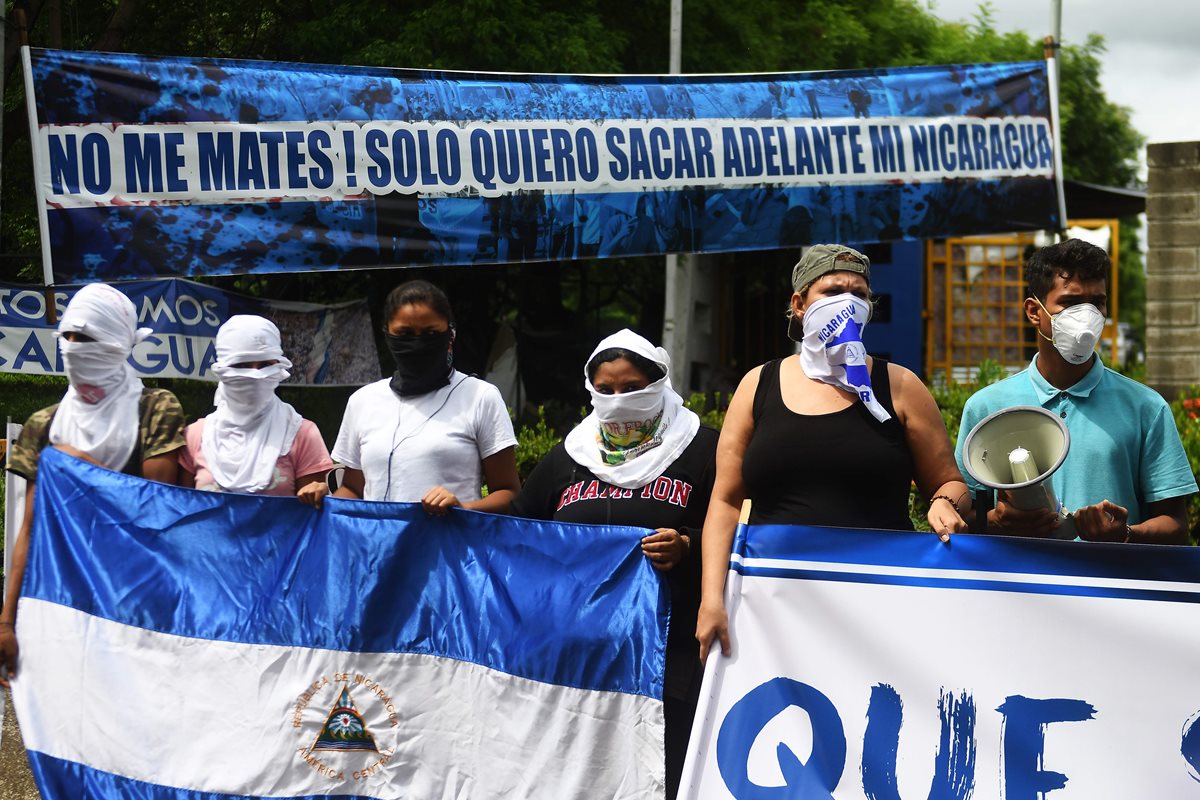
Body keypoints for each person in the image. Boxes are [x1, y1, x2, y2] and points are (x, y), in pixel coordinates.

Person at [695, 244, 970, 663]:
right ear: (799, 304)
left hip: (879, 602)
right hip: (772, 607)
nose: (847, 302)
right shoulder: (758, 385)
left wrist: (946, 502)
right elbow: (725, 501)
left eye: (859, 294)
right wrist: (712, 599)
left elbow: (950, 482)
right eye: (833, 291)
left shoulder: (900, 386)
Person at [510, 329, 717, 800]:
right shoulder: (571, 455)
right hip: (578, 660)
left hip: (667, 655)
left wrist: (688, 544)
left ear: (658, 383)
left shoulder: (702, 448)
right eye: (606, 389)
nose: (618, 399)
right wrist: (452, 518)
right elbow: (519, 530)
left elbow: (739, 526)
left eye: (632, 388)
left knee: (661, 768)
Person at [1, 283, 187, 684]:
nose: (72, 347)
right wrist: (6, 622)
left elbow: (155, 512)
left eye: (85, 338)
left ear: (119, 343)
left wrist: (77, 466)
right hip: (63, 596)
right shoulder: (44, 425)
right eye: (67, 336)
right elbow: (30, 531)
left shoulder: (154, 410)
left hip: (136, 598)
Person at [954, 238, 1197, 542]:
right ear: (1034, 311)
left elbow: (1176, 526)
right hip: (1019, 575)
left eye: (1097, 303)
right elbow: (962, 517)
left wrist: (1125, 534)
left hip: (1107, 574)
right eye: (1070, 303)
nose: (1087, 317)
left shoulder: (1146, 408)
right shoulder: (986, 407)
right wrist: (997, 522)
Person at [330, 280, 520, 513]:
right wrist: (320, 504)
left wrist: (463, 508)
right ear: (387, 333)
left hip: (451, 537)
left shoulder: (480, 397)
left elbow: (509, 493)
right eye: (405, 333)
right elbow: (352, 489)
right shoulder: (362, 401)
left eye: (430, 333)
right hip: (378, 538)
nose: (418, 343)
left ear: (449, 333)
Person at [177, 315, 333, 504]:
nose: (256, 375)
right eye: (242, 365)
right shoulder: (196, 436)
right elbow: (182, 507)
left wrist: (318, 492)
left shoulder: (301, 434)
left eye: (265, 365)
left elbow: (309, 513)